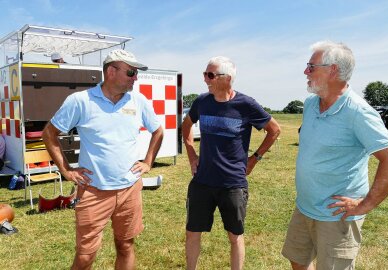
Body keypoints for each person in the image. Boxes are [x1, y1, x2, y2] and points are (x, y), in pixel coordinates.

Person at [281, 40, 388, 270]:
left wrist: (365, 204)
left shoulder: (358, 112)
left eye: (311, 66)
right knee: (298, 261)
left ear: (332, 70)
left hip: (336, 217)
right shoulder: (310, 104)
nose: (305, 71)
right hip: (305, 207)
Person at [42, 49, 164, 270]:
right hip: (93, 191)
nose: (135, 78)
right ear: (111, 71)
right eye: (131, 72)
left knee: (126, 245)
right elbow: (49, 134)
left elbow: (158, 131)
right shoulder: (80, 101)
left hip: (129, 190)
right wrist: (66, 170)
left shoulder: (139, 100)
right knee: (86, 255)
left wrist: (148, 162)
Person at [182, 56, 281, 270]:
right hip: (202, 181)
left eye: (210, 75)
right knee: (192, 232)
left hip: (233, 183)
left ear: (227, 78)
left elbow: (274, 130)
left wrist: (255, 159)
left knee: (235, 236)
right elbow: (186, 125)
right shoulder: (201, 102)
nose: (205, 79)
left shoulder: (246, 104)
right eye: (205, 74)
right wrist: (191, 154)